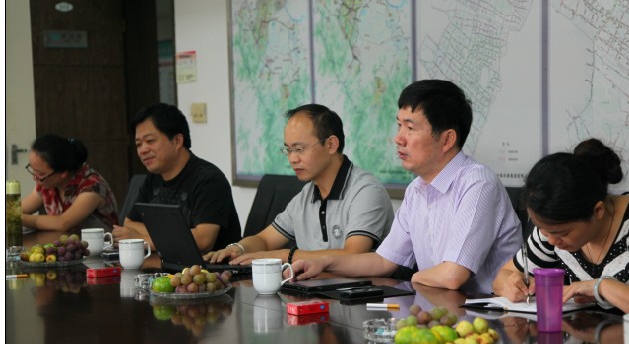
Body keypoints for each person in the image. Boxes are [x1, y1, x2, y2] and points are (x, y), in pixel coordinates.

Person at [289, 80, 522, 290]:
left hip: (489, 315)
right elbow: (383, 261)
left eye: (410, 128)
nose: (398, 138)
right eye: (399, 126)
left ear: (447, 139)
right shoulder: (417, 189)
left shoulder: (478, 184)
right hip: (441, 311)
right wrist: (323, 263)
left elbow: (452, 276)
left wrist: (413, 279)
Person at [492, 138, 629, 328]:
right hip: (598, 341)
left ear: (598, 211)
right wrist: (512, 285)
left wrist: (599, 287)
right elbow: (502, 277)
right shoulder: (551, 227)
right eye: (545, 231)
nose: (552, 241)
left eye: (561, 233)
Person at [204, 104, 394, 265]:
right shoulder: (306, 195)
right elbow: (265, 240)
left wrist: (286, 255)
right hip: (312, 291)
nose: (292, 159)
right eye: (288, 149)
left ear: (331, 145)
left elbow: (353, 254)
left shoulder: (366, 191)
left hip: (359, 294)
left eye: (299, 149)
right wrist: (237, 248)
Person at [112, 103, 242, 252]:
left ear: (177, 141)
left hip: (210, 265)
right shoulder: (154, 178)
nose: (143, 150)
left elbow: (203, 240)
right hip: (165, 262)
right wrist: (173, 236)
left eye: (150, 141)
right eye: (138, 144)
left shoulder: (208, 179)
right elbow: (130, 223)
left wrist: (142, 239)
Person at [21, 134, 119, 232]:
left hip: (101, 241)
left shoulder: (92, 185)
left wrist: (21, 219)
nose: (34, 178)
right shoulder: (48, 184)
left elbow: (63, 223)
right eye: (33, 169)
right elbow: (19, 210)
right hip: (64, 240)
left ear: (63, 172)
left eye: (40, 173)